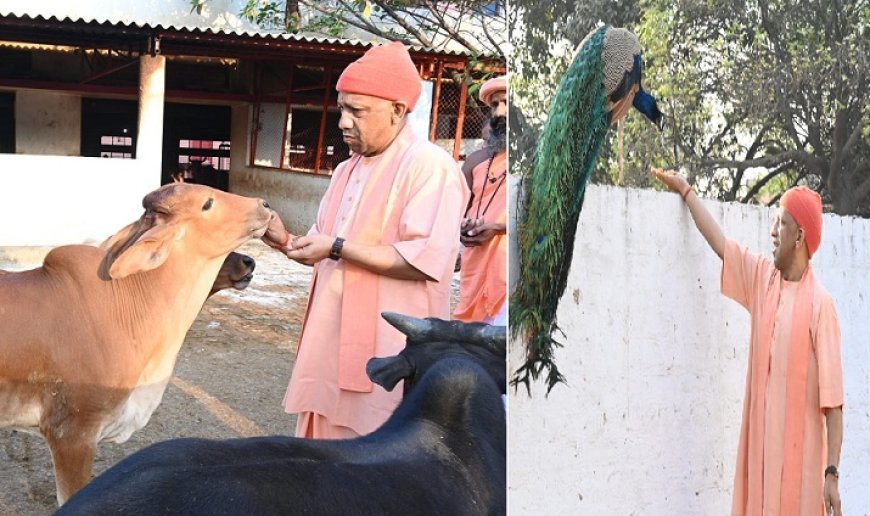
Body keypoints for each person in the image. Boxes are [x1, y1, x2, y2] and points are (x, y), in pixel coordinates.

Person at [260, 42, 469, 439]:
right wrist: (283, 238)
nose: (343, 122)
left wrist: (336, 247)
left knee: (375, 461)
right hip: (329, 342)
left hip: (387, 350)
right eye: (342, 108)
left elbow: (424, 260)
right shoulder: (344, 170)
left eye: (357, 111)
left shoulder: (429, 166)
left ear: (397, 110)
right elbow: (321, 248)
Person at [653, 169, 844, 516]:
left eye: (781, 223)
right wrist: (686, 191)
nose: (772, 232)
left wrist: (831, 474)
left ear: (799, 236)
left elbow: (833, 405)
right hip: (759, 473)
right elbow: (722, 246)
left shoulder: (821, 305)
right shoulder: (762, 280)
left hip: (800, 483)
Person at [512, 26, 663, 389]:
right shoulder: (630, 58)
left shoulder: (619, 50)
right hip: (602, 92)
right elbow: (617, 98)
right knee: (569, 193)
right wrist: (653, 112)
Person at [453, 75, 508, 325]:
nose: (500, 112)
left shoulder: (538, 159)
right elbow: (456, 211)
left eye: (508, 103)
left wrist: (498, 228)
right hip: (474, 265)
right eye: (495, 105)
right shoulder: (476, 161)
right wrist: (463, 227)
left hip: (510, 272)